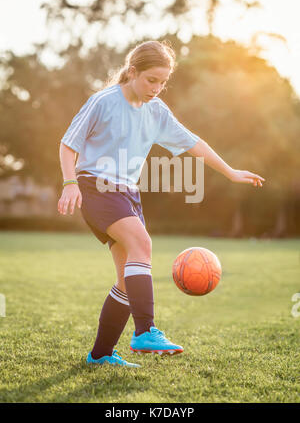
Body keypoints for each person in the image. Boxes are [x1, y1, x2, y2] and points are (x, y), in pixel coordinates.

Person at [58, 40, 265, 368]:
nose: (156, 88)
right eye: (151, 80)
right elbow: (68, 145)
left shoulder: (156, 111)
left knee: (127, 280)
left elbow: (194, 143)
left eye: (162, 82)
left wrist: (230, 172)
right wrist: (70, 184)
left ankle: (100, 354)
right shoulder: (103, 102)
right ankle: (145, 330)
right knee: (143, 244)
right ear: (132, 71)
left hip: (128, 194)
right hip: (96, 187)